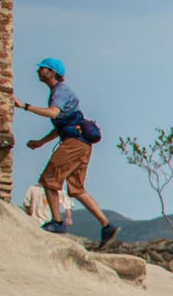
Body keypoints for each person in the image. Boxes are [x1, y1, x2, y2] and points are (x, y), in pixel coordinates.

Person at [13, 58, 117, 247]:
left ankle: (57, 223)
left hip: (74, 143)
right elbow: (63, 125)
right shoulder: (61, 91)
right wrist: (41, 142)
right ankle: (107, 226)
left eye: (42, 68)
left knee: (48, 179)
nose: (38, 71)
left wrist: (24, 106)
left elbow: (53, 113)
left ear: (52, 72)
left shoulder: (60, 91)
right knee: (76, 189)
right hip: (83, 143)